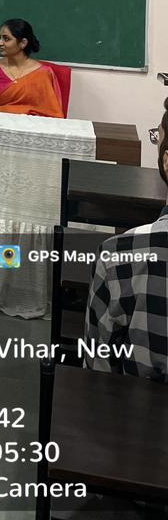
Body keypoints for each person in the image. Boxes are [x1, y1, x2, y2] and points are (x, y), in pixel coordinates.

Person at [84, 102, 168, 381]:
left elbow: (98, 370)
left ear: (166, 161)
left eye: (157, 137)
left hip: (136, 406)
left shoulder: (119, 255)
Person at [0, 18, 63, 117]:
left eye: (6, 39)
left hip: (28, 125)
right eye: (0, 38)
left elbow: (52, 114)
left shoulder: (43, 73)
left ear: (23, 43)